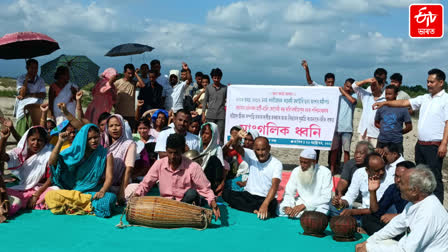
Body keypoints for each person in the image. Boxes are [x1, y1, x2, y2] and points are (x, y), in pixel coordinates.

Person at [372, 68, 447, 203]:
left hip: (434, 145)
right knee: (419, 176)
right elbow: (403, 103)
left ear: (441, 82)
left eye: (432, 82)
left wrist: (444, 144)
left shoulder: (446, 99)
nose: (428, 84)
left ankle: (438, 206)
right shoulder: (425, 98)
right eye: (427, 82)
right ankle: (422, 203)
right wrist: (384, 103)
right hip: (421, 144)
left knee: (434, 177)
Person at [125, 133, 220, 220]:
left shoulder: (193, 166)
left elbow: (205, 189)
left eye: (176, 153)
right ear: (166, 149)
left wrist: (214, 205)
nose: (172, 156)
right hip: (166, 204)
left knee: (192, 193)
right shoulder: (159, 164)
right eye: (170, 152)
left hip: (186, 204)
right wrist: (136, 196)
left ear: (182, 151)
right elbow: (146, 184)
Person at [356, 168, 448, 252]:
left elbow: (406, 250)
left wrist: (369, 248)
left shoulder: (428, 213)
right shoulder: (414, 203)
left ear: (414, 191)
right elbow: (395, 226)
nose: (398, 183)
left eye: (402, 183)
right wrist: (369, 242)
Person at [49, 124, 116, 217]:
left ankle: (76, 204)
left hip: (93, 191)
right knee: (51, 195)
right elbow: (52, 162)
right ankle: (85, 205)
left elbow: (109, 177)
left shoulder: (106, 153)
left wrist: (102, 191)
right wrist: (60, 142)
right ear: (83, 139)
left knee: (110, 198)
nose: (93, 141)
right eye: (89, 139)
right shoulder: (76, 152)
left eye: (96, 137)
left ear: (100, 136)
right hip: (74, 191)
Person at [301, 60, 357, 172]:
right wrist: (307, 69)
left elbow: (352, 100)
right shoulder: (323, 89)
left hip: (341, 127)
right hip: (325, 124)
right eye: (329, 82)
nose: (330, 84)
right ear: (325, 82)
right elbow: (310, 82)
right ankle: (325, 168)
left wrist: (343, 90)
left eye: (332, 82)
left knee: (340, 150)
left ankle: (340, 169)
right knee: (324, 147)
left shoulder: (339, 92)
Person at [223, 137, 283, 219]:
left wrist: (265, 204)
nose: (260, 153)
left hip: (265, 198)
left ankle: (258, 209)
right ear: (254, 149)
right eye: (258, 150)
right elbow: (235, 146)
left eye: (263, 149)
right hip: (249, 196)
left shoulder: (277, 164)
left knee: (272, 205)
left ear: (269, 148)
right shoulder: (251, 155)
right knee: (226, 194)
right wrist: (238, 137)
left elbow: (274, 186)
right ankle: (255, 210)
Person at [0, 126, 54, 216]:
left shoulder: (49, 154)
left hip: (41, 188)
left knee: (53, 192)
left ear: (45, 142)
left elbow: (52, 178)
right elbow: (2, 157)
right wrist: (3, 139)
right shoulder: (20, 153)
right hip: (22, 189)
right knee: (4, 193)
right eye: (33, 140)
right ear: (27, 140)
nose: (35, 143)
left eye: (39, 140)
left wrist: (36, 195)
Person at [361, 161, 415, 236]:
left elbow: (416, 215)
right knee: (367, 218)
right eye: (396, 176)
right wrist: (372, 192)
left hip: (409, 226)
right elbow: (376, 212)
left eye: (401, 177)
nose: (398, 180)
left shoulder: (415, 191)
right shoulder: (393, 188)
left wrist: (396, 216)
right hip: (395, 224)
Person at [332, 153, 393, 217]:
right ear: (367, 171)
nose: (382, 172)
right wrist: (341, 203)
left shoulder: (390, 180)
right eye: (377, 170)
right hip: (362, 211)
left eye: (383, 168)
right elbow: (350, 196)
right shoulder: (360, 173)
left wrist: (354, 212)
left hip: (380, 216)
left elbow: (378, 209)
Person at [278, 149, 332, 218]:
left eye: (305, 163)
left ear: (314, 162)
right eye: (301, 162)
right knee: (280, 208)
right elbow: (289, 193)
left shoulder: (325, 172)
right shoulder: (296, 171)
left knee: (323, 211)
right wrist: (287, 206)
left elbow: (326, 197)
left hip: (318, 205)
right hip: (301, 202)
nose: (302, 165)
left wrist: (306, 205)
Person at [102, 114, 136, 204]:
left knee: (137, 189)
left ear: (123, 126)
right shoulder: (104, 146)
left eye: (117, 125)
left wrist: (121, 193)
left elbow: (128, 169)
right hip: (106, 186)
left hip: (123, 185)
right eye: (111, 126)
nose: (114, 128)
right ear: (107, 129)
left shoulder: (129, 144)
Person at [374, 85, 412, 154]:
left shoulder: (403, 108)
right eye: (386, 94)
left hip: (396, 141)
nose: (387, 96)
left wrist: (398, 132)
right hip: (382, 140)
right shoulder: (381, 107)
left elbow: (409, 127)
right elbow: (376, 123)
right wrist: (384, 128)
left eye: (390, 94)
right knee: (379, 160)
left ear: (396, 94)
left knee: (397, 161)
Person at [14, 59, 46, 136]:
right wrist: (26, 81)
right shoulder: (21, 78)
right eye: (32, 68)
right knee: (21, 132)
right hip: (23, 108)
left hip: (36, 108)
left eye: (36, 68)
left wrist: (29, 95)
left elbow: (42, 94)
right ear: (27, 68)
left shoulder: (40, 80)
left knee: (34, 132)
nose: (34, 70)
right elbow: (21, 94)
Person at [352, 77, 386, 146]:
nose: (372, 87)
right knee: (362, 154)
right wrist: (365, 80)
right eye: (371, 85)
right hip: (363, 132)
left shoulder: (385, 100)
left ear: (381, 86)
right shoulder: (366, 96)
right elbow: (354, 86)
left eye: (375, 85)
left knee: (374, 155)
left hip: (376, 134)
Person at [199, 122, 229, 196]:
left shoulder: (217, 148)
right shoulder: (198, 146)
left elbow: (221, 167)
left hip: (209, 178)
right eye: (202, 133)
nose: (203, 136)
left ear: (213, 135)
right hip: (197, 175)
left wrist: (222, 183)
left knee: (213, 159)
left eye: (207, 133)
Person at [202, 68, 227, 143]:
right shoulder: (208, 88)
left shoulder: (225, 88)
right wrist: (203, 113)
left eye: (218, 78)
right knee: (209, 133)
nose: (216, 79)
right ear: (212, 78)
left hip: (221, 115)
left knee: (220, 135)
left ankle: (220, 151)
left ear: (221, 78)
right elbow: (205, 101)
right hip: (210, 115)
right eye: (215, 78)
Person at [114, 64, 137, 130]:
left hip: (131, 114)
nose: (131, 75)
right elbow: (111, 95)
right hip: (119, 113)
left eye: (132, 73)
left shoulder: (134, 83)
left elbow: (142, 85)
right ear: (124, 72)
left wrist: (136, 74)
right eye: (129, 73)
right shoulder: (118, 82)